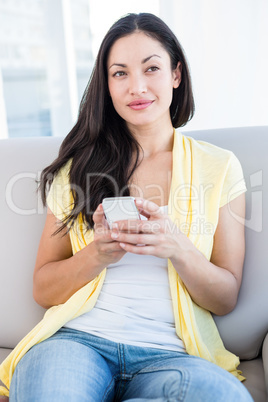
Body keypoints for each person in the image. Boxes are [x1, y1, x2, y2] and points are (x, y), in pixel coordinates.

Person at [0, 12, 253, 402]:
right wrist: (97, 255)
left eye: (151, 68)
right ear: (107, 85)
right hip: (76, 344)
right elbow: (43, 289)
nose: (137, 86)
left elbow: (225, 297)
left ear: (176, 75)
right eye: (120, 73)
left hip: (172, 356)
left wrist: (177, 247)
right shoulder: (78, 169)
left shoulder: (219, 168)